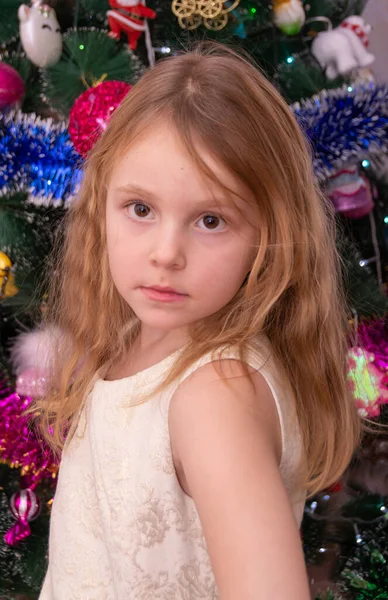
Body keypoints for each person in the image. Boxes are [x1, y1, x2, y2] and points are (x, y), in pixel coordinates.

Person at [37, 42, 360, 599]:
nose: (166, 253)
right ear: (102, 205)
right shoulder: (139, 339)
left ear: (270, 234)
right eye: (140, 209)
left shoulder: (214, 395)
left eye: (210, 220)